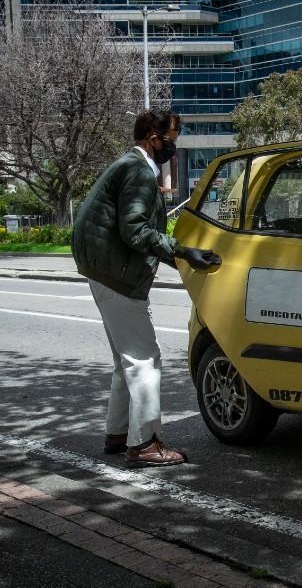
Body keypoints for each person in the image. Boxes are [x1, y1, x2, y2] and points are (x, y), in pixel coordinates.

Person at [72, 109, 221, 468]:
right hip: (116, 274)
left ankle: (118, 434)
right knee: (145, 359)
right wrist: (182, 251)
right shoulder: (139, 172)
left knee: (126, 360)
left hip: (102, 268)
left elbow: (136, 231)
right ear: (153, 139)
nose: (175, 146)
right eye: (172, 139)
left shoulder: (129, 166)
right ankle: (145, 444)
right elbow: (136, 231)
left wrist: (180, 258)